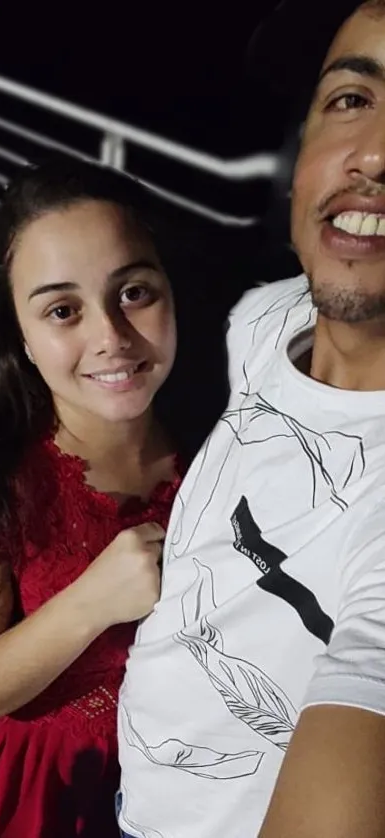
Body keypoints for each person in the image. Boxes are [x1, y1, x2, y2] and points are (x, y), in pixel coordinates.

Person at [117, 2, 385, 836]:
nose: (374, 153)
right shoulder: (262, 321)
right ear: (298, 158)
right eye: (350, 99)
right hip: (121, 793)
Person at [0, 158, 183, 838]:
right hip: (32, 806)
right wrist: (92, 602)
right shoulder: (0, 476)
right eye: (63, 310)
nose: (110, 337)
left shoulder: (232, 449)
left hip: (191, 798)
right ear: (24, 339)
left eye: (133, 293)